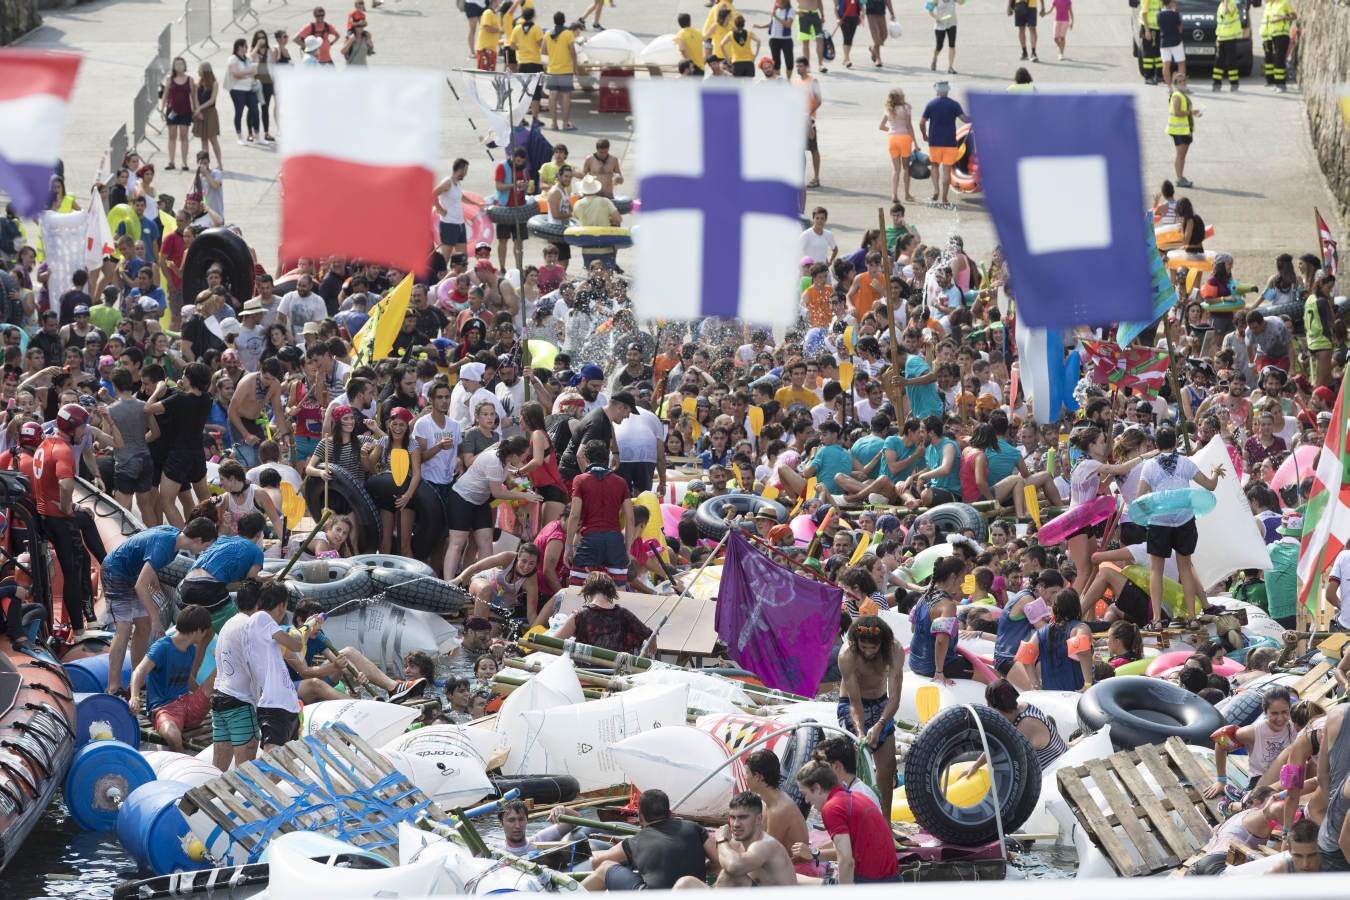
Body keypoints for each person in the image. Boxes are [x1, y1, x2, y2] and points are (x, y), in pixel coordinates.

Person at [102, 519, 220, 697]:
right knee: (124, 628)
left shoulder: (175, 535)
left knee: (144, 626)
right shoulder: (165, 548)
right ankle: (113, 687)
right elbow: (140, 586)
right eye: (207, 546)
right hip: (116, 572)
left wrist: (152, 573)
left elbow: (146, 547)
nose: (204, 551)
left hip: (133, 573)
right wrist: (156, 618)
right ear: (198, 540)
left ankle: (138, 680)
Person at [1136, 425, 1224, 629]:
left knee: (1155, 571)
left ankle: (1157, 620)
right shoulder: (1185, 462)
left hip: (1159, 521)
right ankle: (1193, 618)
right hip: (1184, 519)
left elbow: (1140, 498)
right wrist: (1215, 473)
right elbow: (1210, 486)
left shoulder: (1149, 466)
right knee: (1185, 567)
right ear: (1176, 443)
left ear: (1156, 445)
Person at [581, 789, 715, 890]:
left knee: (605, 868)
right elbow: (719, 862)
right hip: (694, 892)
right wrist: (704, 867)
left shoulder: (634, 842)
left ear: (640, 817)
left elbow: (598, 862)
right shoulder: (694, 828)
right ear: (669, 813)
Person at [837, 614, 904, 817]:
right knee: (859, 768)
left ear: (882, 644)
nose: (867, 652)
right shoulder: (847, 655)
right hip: (852, 704)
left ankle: (885, 824)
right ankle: (858, 819)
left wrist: (881, 723)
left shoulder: (894, 650)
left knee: (887, 768)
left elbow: (895, 698)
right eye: (863, 647)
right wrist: (860, 732)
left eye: (873, 648)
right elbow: (854, 703)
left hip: (882, 703)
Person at [793, 760, 899, 883]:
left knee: (794, 881)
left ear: (817, 788)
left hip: (870, 884)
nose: (806, 800)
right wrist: (812, 852)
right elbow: (850, 845)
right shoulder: (855, 796)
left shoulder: (831, 808)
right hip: (892, 880)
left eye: (804, 794)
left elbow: (846, 861)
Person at [129, 604, 215, 753]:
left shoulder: (191, 650)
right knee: (174, 736)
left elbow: (187, 678)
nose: (205, 636)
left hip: (187, 705)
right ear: (198, 630)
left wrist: (203, 696)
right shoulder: (162, 647)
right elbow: (139, 671)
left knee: (216, 674)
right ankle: (183, 765)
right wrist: (134, 697)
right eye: (204, 632)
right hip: (165, 709)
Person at [674, 792, 798, 888]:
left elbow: (733, 867)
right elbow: (716, 864)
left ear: (758, 819)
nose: (736, 824)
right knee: (686, 883)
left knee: (731, 876)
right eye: (732, 817)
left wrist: (721, 840)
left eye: (742, 817)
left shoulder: (765, 845)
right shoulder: (735, 843)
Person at [180, 511, 271, 633]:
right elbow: (248, 586)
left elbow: (220, 579)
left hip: (185, 587)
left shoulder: (221, 539)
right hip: (207, 590)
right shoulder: (256, 552)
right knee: (241, 631)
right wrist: (260, 582)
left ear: (238, 529)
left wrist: (256, 579)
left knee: (206, 635)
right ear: (260, 534)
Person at [211, 579, 262, 770]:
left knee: (217, 772)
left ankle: (210, 801)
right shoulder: (251, 625)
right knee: (246, 773)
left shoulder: (229, 624)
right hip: (240, 703)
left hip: (219, 699)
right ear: (259, 604)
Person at [1206, 687, 1296, 794]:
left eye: (1284, 712)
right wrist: (1221, 780)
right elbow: (1220, 742)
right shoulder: (1252, 732)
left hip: (1288, 780)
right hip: (1261, 784)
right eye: (1274, 713)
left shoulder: (1294, 728)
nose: (1280, 718)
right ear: (1265, 712)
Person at [1009, 588, 1093, 692]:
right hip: (1076, 691)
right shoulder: (1079, 628)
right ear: (1077, 607)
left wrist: (1035, 683)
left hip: (1051, 693)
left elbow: (1025, 657)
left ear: (1055, 608)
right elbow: (1083, 652)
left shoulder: (1041, 632)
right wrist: (1088, 683)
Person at [554, 571, 652, 655]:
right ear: (611, 592)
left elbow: (554, 642)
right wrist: (651, 648)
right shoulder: (624, 614)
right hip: (616, 671)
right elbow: (650, 635)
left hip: (586, 671)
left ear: (588, 592)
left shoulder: (579, 616)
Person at [743, 750, 811, 863]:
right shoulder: (767, 801)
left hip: (794, 867)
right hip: (780, 860)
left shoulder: (779, 810)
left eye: (747, 773)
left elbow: (765, 854)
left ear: (758, 777)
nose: (745, 777)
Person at [920, 81, 969, 206]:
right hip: (950, 142)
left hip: (934, 141)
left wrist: (924, 135)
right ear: (948, 91)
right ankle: (945, 198)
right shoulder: (954, 104)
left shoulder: (931, 104)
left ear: (937, 91)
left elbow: (922, 122)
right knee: (946, 170)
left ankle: (936, 190)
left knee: (935, 167)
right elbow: (964, 119)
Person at [880, 89, 918, 203]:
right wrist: (915, 143)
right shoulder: (906, 108)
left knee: (896, 169)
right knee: (906, 168)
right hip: (904, 138)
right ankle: (907, 194)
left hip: (892, 139)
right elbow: (909, 126)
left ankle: (894, 195)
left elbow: (881, 126)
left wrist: (891, 130)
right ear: (900, 97)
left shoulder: (888, 109)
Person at [543, 13, 579, 132]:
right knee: (566, 95)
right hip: (565, 69)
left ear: (554, 21)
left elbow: (543, 50)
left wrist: (554, 54)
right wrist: (575, 67)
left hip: (552, 69)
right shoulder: (568, 33)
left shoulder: (548, 33)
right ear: (564, 21)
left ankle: (553, 124)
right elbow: (572, 51)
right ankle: (565, 124)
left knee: (552, 95)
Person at [1167, 72, 1199, 188]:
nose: (1182, 82)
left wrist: (1194, 113)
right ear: (1175, 83)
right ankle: (1179, 178)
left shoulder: (1183, 94)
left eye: (1184, 80)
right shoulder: (1177, 95)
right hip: (1179, 131)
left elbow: (1186, 111)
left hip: (1185, 129)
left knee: (1182, 155)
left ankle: (1181, 176)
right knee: (1180, 155)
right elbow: (1177, 113)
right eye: (1179, 81)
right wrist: (1191, 112)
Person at [1157, 0, 1185, 90]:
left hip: (1164, 43)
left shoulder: (1159, 15)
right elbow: (1180, 29)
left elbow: (1159, 27)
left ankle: (1169, 88)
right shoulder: (1175, 14)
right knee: (1181, 63)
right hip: (1176, 42)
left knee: (1166, 65)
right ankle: (1180, 86)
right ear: (1170, 3)